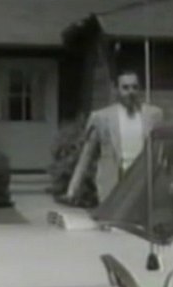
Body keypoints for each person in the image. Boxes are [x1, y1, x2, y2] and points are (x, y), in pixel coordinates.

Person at [65, 70, 163, 204]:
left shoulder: (153, 115)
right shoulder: (102, 118)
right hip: (113, 181)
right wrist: (73, 188)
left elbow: (163, 150)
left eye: (134, 87)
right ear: (117, 90)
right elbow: (87, 155)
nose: (131, 92)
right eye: (125, 88)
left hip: (142, 181)